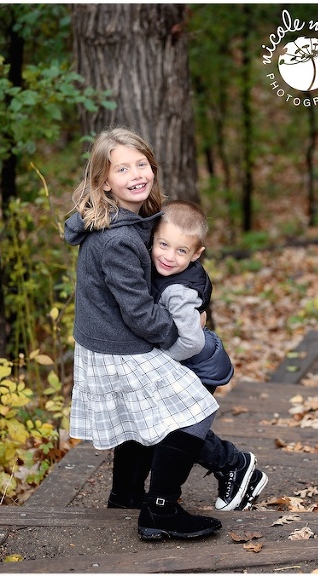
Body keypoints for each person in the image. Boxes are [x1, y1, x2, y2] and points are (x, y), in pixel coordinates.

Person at [64, 126, 222, 540]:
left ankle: (127, 494)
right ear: (103, 181)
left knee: (142, 417)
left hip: (107, 342)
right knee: (195, 410)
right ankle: (161, 511)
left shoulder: (124, 221)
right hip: (118, 348)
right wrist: (186, 332)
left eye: (141, 164)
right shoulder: (119, 238)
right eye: (122, 168)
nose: (136, 173)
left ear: (153, 167)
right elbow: (137, 310)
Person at [151, 200, 268, 510]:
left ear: (196, 254)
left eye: (180, 251)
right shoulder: (167, 272)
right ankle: (233, 466)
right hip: (190, 361)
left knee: (179, 431)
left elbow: (189, 341)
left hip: (194, 364)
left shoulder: (178, 289)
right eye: (163, 244)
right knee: (169, 426)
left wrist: (160, 361)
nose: (168, 256)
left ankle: (233, 465)